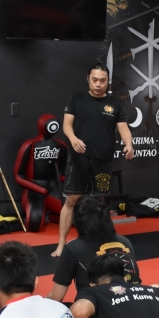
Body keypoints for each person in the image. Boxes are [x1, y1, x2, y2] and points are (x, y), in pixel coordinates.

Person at [52, 63, 135, 257]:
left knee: (99, 201)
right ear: (88, 79)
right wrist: (73, 139)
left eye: (102, 81)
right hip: (78, 157)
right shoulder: (76, 99)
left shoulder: (114, 104)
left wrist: (129, 144)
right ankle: (61, 245)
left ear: (108, 82)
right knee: (71, 200)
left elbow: (123, 127)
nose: (98, 84)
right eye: (95, 80)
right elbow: (67, 124)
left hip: (103, 158)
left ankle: (100, 242)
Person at [47, 194, 141, 302]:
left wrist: (38, 303)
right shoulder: (125, 242)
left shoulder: (73, 248)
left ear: (78, 221)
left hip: (97, 308)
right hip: (135, 303)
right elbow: (136, 283)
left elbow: (56, 297)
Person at [13, 114, 66, 230]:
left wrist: (71, 182)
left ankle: (54, 217)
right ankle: (43, 213)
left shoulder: (60, 145)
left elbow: (62, 172)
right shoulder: (30, 144)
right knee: (34, 223)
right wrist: (39, 189)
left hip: (53, 187)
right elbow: (18, 176)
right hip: (34, 189)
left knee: (76, 214)